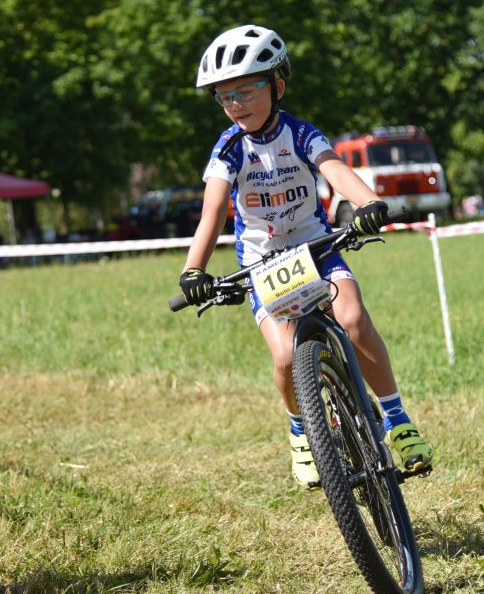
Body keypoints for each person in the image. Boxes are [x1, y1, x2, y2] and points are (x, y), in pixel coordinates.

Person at [178, 25, 433, 489]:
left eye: (245, 91)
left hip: (315, 248)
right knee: (283, 358)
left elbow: (334, 169)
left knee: (352, 319)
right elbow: (212, 211)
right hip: (262, 263)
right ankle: (300, 431)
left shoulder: (299, 133)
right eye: (224, 96)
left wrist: (369, 203)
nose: (235, 104)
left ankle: (398, 420)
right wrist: (193, 269)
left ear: (277, 85)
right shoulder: (228, 149)